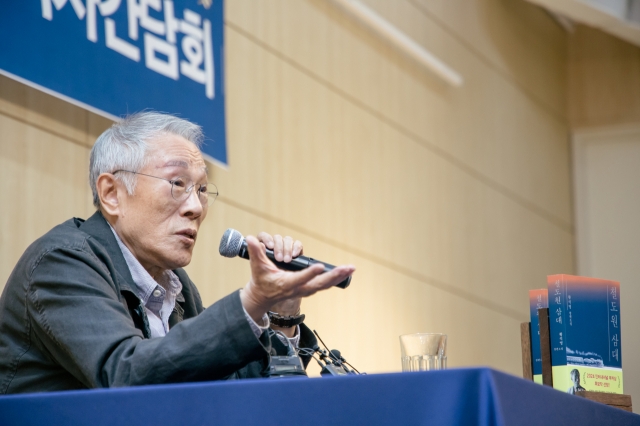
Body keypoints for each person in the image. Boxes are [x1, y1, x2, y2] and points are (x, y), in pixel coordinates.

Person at [0, 112, 355, 394]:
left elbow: (231, 391)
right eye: (177, 184)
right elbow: (127, 375)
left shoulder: (175, 285)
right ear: (111, 194)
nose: (196, 207)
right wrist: (250, 302)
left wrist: (281, 313)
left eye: (202, 189)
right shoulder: (61, 263)